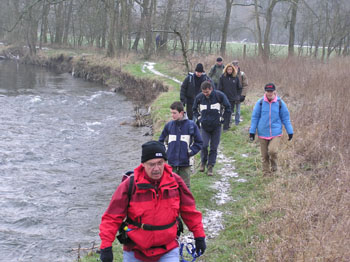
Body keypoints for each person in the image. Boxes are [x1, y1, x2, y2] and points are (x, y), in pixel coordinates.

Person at [99, 141, 206, 262]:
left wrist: (199, 236)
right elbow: (112, 217)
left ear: (165, 162)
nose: (156, 169)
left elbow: (189, 211)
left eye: (160, 163)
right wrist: (106, 245)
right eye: (151, 164)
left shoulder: (176, 182)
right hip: (135, 250)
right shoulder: (129, 185)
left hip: (168, 249)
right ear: (143, 164)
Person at [249, 83, 294, 175]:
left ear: (275, 91)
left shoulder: (280, 103)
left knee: (272, 151)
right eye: (268, 91)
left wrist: (290, 131)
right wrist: (252, 132)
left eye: (271, 91)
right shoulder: (260, 103)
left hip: (276, 132)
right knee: (264, 155)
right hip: (262, 132)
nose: (269, 93)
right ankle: (266, 173)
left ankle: (274, 167)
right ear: (265, 92)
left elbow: (285, 118)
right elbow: (255, 118)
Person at [159, 101, 203, 189]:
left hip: (185, 161)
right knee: (171, 185)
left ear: (181, 113)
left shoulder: (191, 126)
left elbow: (199, 142)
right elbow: (161, 141)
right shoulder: (168, 126)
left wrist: (190, 152)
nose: (172, 115)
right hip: (171, 161)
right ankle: (173, 202)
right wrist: (166, 153)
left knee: (185, 186)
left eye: (174, 113)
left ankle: (186, 203)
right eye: (171, 113)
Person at [193, 81, 231, 176]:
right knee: (204, 145)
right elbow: (194, 109)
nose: (205, 94)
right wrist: (198, 118)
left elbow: (228, 108)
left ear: (211, 89)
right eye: (204, 92)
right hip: (204, 126)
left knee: (214, 147)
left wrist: (223, 119)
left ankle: (210, 166)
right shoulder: (199, 98)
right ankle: (203, 162)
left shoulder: (219, 96)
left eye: (207, 92)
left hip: (216, 127)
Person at [218, 63, 242, 128]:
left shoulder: (235, 77)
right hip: (224, 97)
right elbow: (220, 87)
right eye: (228, 69)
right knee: (223, 111)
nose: (229, 71)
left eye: (230, 69)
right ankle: (222, 123)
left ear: (233, 70)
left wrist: (238, 96)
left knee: (229, 112)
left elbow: (239, 88)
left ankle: (227, 125)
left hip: (232, 98)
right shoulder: (222, 77)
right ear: (226, 70)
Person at [232, 60, 248, 125]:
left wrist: (243, 95)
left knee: (238, 111)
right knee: (230, 110)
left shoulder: (242, 74)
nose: (235, 67)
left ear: (238, 66)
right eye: (234, 66)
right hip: (231, 95)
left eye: (236, 66)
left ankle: (237, 123)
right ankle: (229, 123)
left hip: (239, 95)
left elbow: (245, 85)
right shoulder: (228, 73)